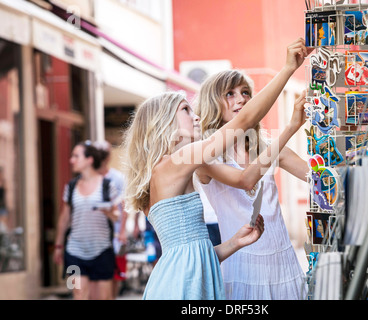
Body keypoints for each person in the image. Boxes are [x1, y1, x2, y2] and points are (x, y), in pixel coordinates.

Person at [121, 38, 307, 300]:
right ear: (164, 124)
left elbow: (193, 251)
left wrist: (234, 243)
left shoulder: (175, 167)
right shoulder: (178, 161)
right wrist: (288, 68)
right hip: (183, 284)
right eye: (186, 110)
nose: (195, 115)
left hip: (192, 277)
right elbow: (245, 120)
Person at [193, 42, 312, 299]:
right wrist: (291, 126)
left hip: (283, 262)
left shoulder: (266, 147)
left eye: (246, 92)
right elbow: (247, 181)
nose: (242, 99)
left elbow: (315, 178)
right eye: (230, 94)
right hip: (242, 265)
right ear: (212, 103)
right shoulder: (204, 155)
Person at [53, 140, 120, 300]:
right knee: (78, 293)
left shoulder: (107, 185)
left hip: (102, 251)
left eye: (76, 156)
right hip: (75, 251)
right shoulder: (71, 186)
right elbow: (64, 218)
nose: (71, 160)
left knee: (103, 298)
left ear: (89, 160)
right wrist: (58, 245)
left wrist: (109, 212)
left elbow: (116, 217)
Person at [94, 140, 128, 298]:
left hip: (114, 233)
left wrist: (122, 231)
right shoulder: (86, 178)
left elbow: (124, 205)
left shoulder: (118, 177)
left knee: (115, 275)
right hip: (95, 234)